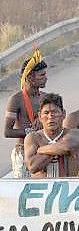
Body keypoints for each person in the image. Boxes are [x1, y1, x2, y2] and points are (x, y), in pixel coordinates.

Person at [5, 47, 48, 178]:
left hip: (42, 151)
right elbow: (7, 131)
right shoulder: (16, 99)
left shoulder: (46, 98)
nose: (46, 78)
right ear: (30, 77)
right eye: (42, 75)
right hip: (23, 152)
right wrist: (30, 131)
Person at [24, 93, 79, 178]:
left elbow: (66, 147)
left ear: (63, 114)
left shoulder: (74, 133)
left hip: (68, 187)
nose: (50, 116)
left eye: (54, 112)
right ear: (40, 116)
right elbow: (32, 167)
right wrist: (57, 148)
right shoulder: (33, 138)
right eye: (46, 113)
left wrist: (40, 150)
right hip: (43, 188)